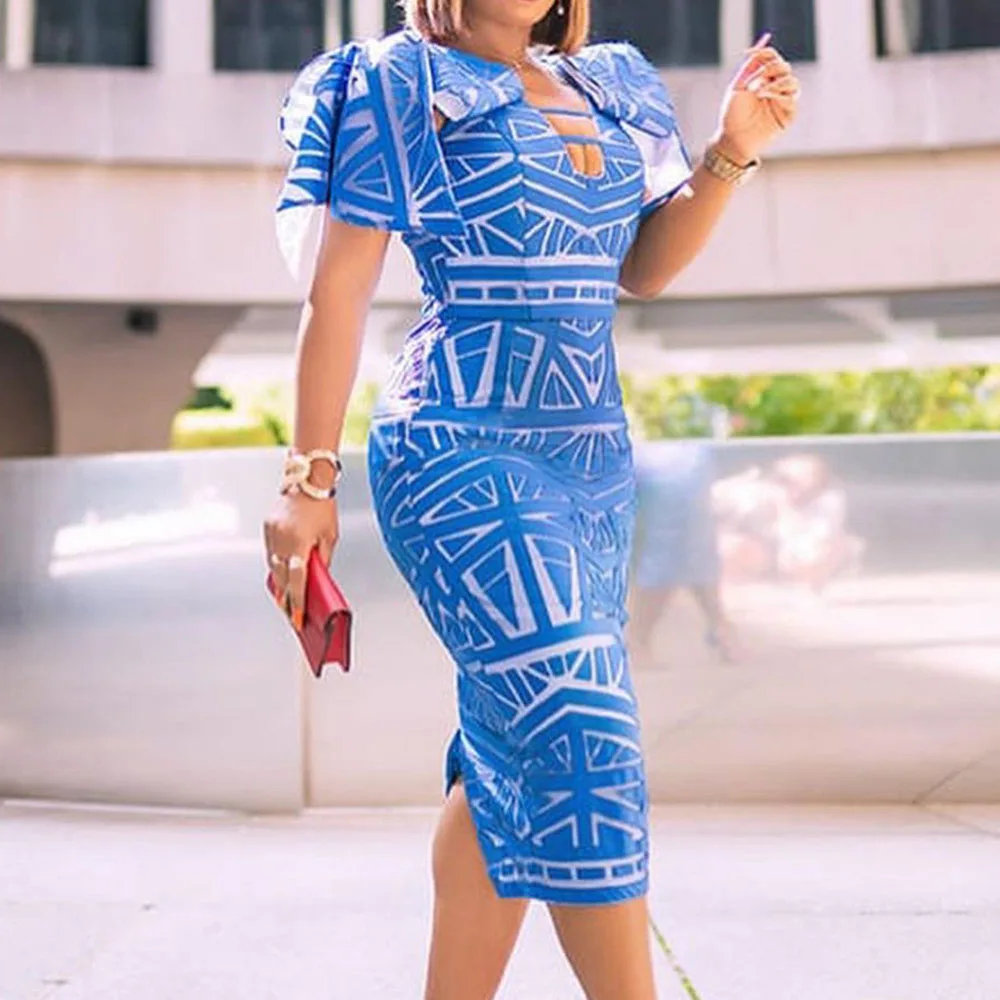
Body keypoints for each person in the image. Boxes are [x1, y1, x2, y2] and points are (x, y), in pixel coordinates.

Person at [263, 2, 800, 997]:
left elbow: (639, 268)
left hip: (591, 458)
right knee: (583, 726)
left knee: (513, 741)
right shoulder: (395, 78)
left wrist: (731, 150)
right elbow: (337, 292)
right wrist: (309, 479)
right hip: (458, 443)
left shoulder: (608, 82)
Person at [629, 439, 734, 666]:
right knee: (685, 543)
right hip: (672, 453)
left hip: (664, 453)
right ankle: (721, 629)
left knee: (676, 543)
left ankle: (638, 641)